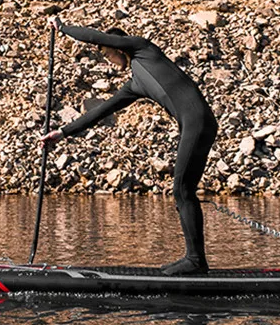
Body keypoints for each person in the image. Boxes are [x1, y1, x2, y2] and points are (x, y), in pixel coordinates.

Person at [40, 19, 218, 275]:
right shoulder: (135, 84)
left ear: (117, 47)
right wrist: (63, 132)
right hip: (197, 124)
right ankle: (195, 259)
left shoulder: (142, 48)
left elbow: (95, 36)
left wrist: (62, 27)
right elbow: (102, 110)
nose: (108, 60)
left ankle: (195, 261)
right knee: (183, 191)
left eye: (107, 54)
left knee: (182, 190)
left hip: (197, 122)